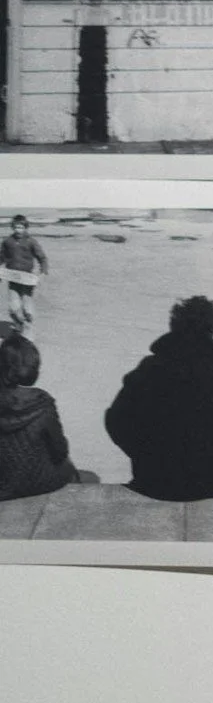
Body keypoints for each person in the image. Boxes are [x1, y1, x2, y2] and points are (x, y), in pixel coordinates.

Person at [104, 296, 213, 502]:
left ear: (174, 327)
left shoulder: (149, 368)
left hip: (155, 479)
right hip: (209, 482)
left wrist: (143, 454)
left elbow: (116, 419)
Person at [0, 333, 81, 502]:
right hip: (43, 483)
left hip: (3, 487)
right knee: (70, 467)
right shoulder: (42, 403)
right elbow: (60, 451)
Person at [2, 215, 46, 331]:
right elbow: (1, 257)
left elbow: (42, 257)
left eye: (21, 227)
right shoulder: (7, 241)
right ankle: (18, 326)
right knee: (14, 306)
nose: (18, 230)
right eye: (16, 227)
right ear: (12, 227)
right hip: (12, 278)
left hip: (27, 279)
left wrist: (43, 272)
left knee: (27, 305)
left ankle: (28, 326)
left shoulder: (31, 241)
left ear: (25, 227)